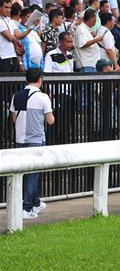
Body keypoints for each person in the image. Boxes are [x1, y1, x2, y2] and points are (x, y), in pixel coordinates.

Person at [9, 67, 54, 219]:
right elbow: (50, 120)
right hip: (36, 140)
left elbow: (14, 119)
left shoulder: (16, 96)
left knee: (25, 174)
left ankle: (35, 203)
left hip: (20, 139)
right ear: (40, 79)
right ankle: (26, 208)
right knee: (33, 175)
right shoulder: (43, 97)